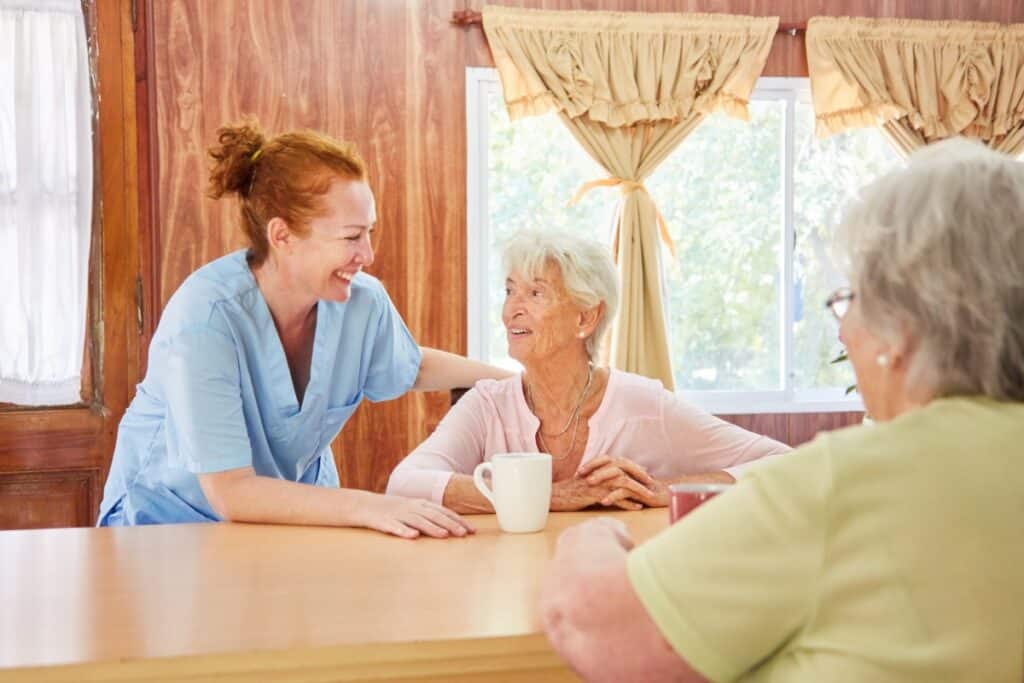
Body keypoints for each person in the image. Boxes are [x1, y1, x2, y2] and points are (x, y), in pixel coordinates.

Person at [539, 138, 1024, 682]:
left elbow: (589, 627)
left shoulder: (850, 481)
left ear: (903, 328)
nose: (843, 330)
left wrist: (591, 534)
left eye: (850, 301)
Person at [97, 119, 509, 538]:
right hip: (165, 529)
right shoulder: (205, 319)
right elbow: (230, 491)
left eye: (370, 232)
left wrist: (512, 383)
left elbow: (409, 365)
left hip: (284, 522)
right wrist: (374, 506)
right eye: (351, 237)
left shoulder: (360, 302)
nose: (367, 253)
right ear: (282, 235)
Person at [386, 231, 790, 513]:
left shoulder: (640, 403)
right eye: (510, 290)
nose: (512, 309)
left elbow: (782, 463)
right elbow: (405, 484)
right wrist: (557, 495)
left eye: (536, 293)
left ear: (586, 317)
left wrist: (662, 490)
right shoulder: (487, 404)